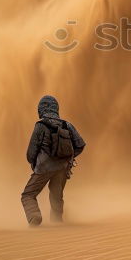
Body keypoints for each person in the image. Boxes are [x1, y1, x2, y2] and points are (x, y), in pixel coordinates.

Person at [20, 95, 86, 226]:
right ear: (56, 108)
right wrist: (69, 158)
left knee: (28, 195)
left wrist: (35, 164)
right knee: (56, 196)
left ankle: (34, 217)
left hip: (44, 167)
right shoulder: (67, 125)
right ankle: (57, 222)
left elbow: (31, 152)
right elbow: (80, 145)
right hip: (62, 168)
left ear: (41, 109)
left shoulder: (40, 126)